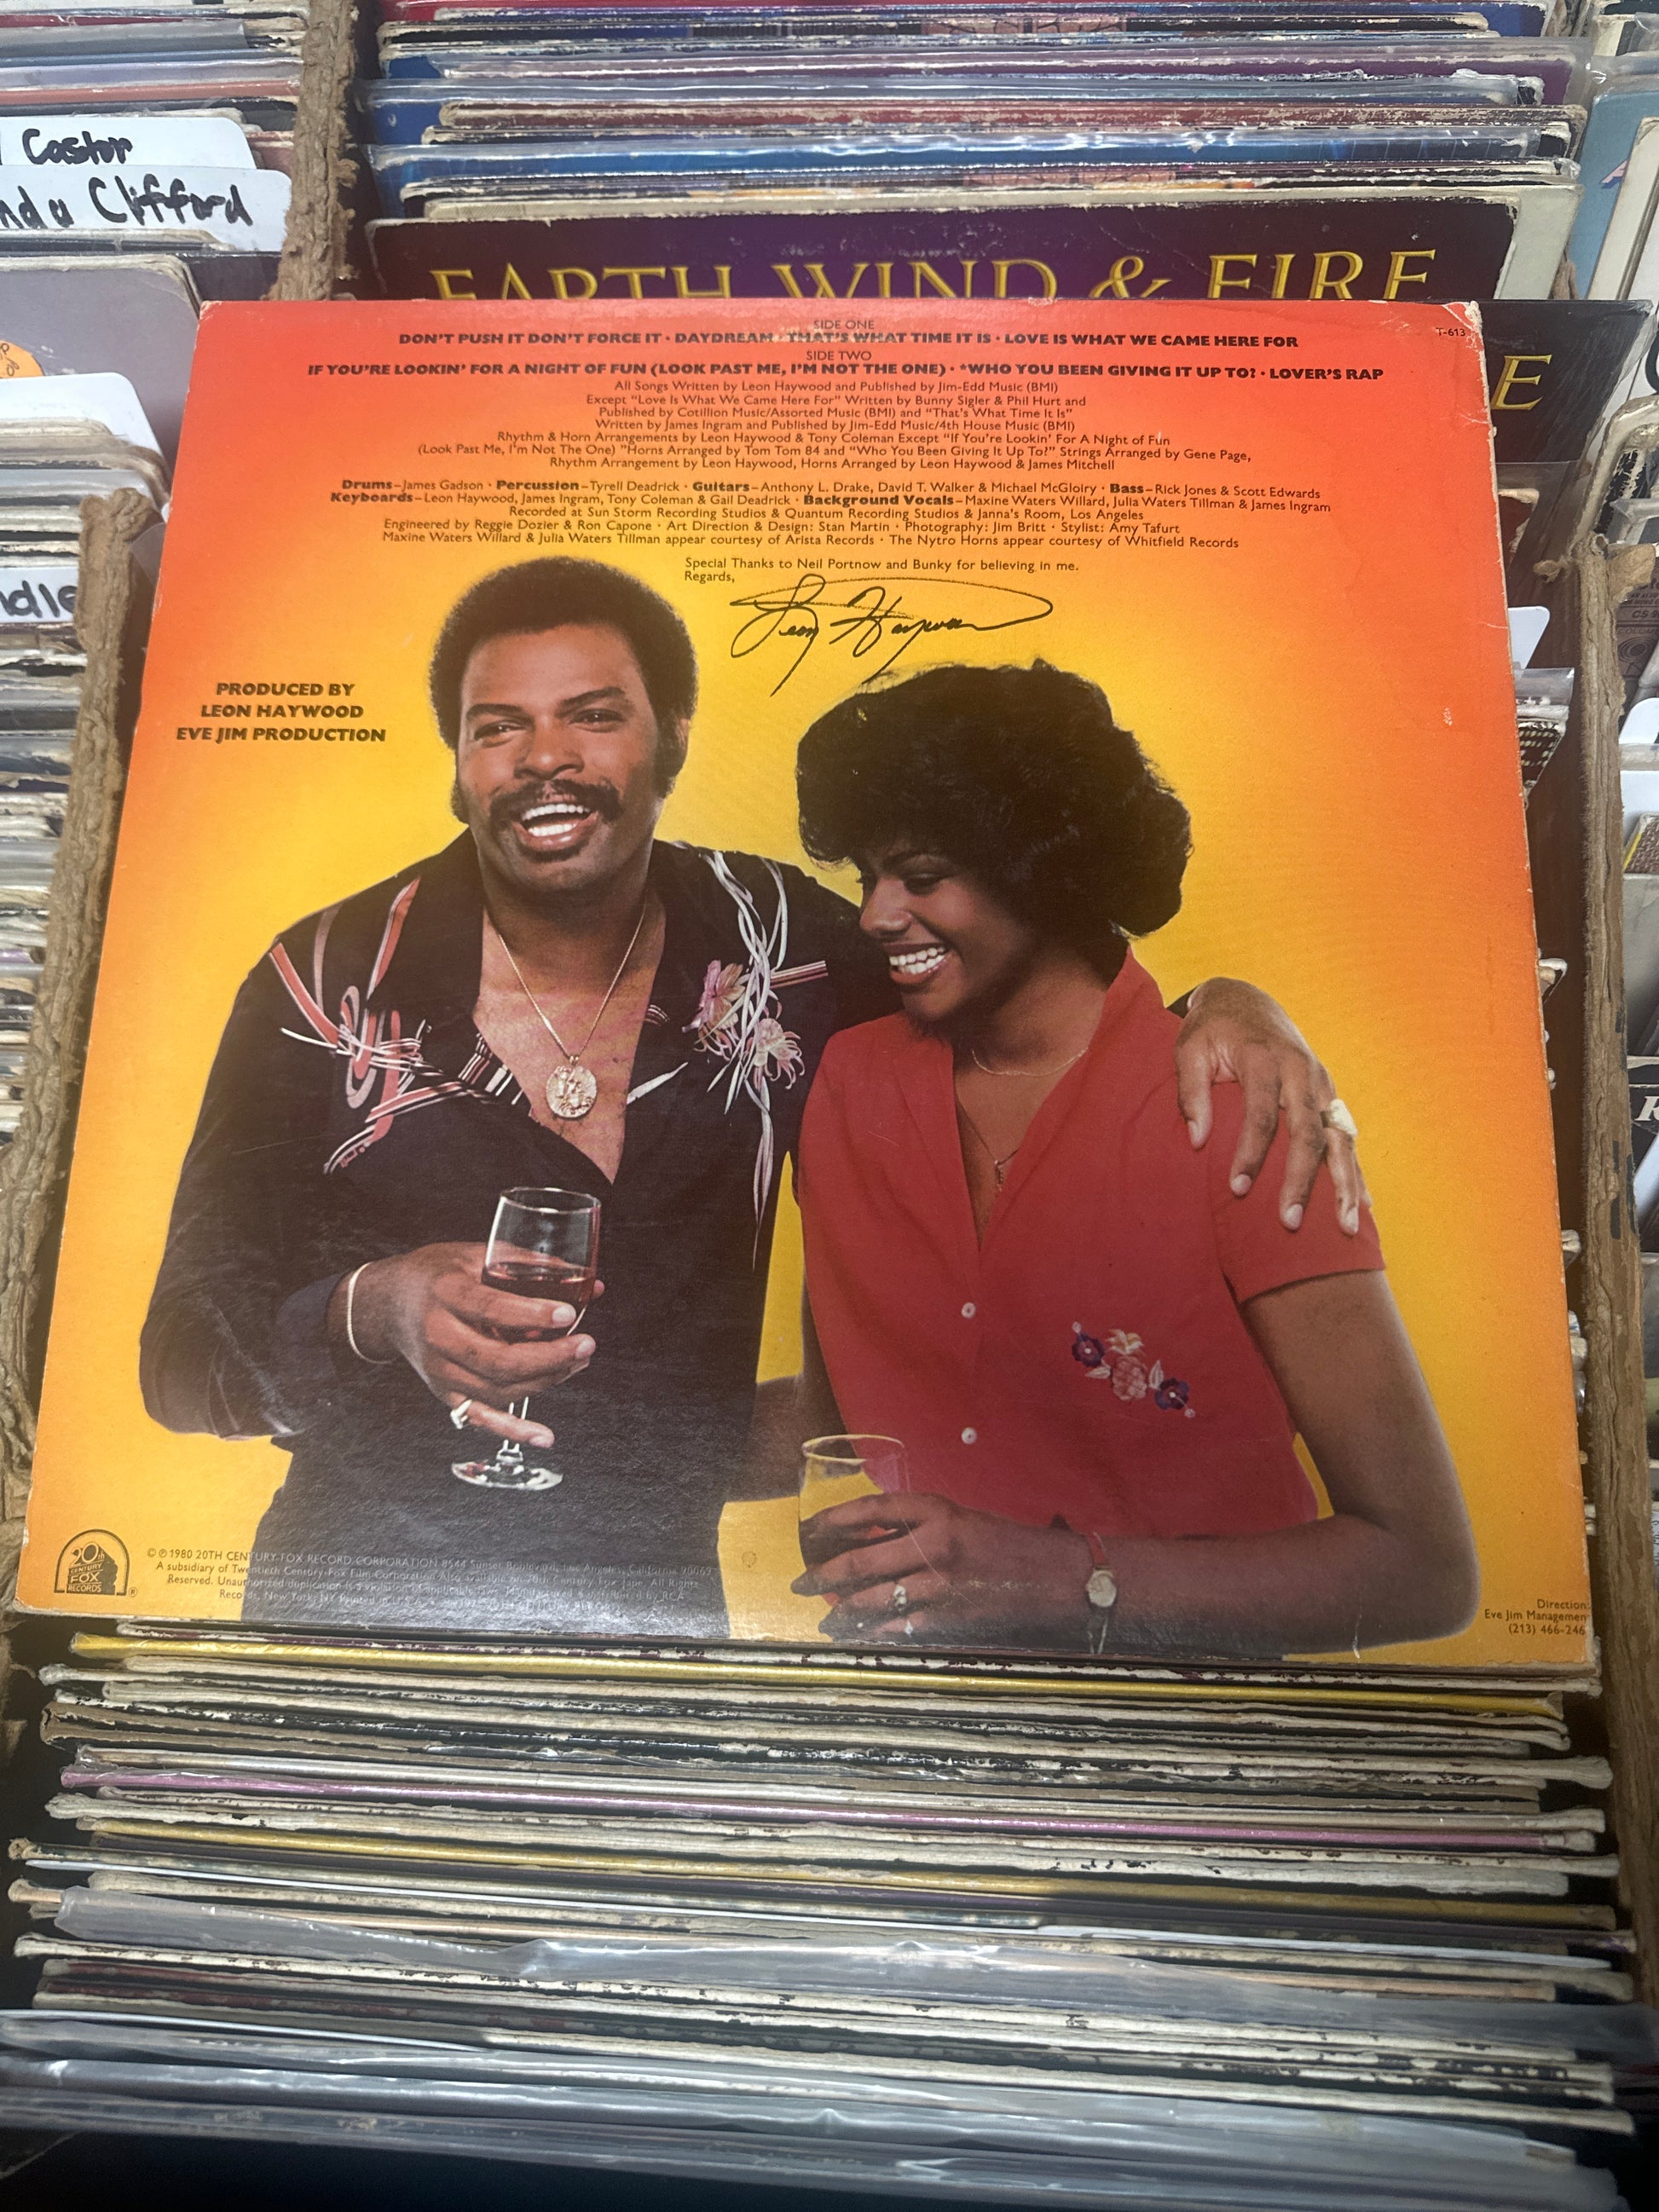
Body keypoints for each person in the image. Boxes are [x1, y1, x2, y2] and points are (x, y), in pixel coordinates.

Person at [141, 559, 1367, 1636]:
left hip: (659, 1615)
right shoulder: (321, 980)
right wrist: (372, 1307)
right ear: (459, 768)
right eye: (497, 727)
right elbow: (177, 1362)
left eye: (594, 715)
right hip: (354, 1597)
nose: (545, 757)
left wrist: (1230, 1005)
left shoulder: (787, 944)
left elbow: (1020, 970)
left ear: (673, 737)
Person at [774, 661, 1478, 1659]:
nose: (875, 915)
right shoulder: (849, 1083)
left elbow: (1421, 1569)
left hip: (1186, 1721)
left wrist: (1054, 1580)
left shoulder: (1238, 1103)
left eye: (920, 876)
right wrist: (598, 1423)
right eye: (866, 878)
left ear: (1038, 869)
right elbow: (834, 1423)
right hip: (913, 1696)